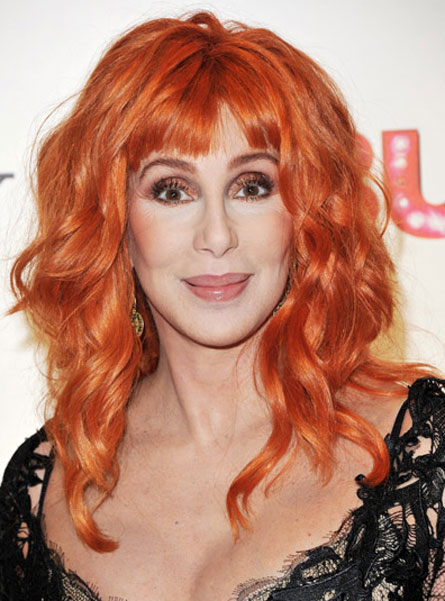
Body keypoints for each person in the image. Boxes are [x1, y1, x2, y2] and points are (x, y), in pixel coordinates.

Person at [1, 10, 444, 601]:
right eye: (172, 190)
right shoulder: (41, 484)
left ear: (305, 215)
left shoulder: (424, 453)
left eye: (252, 186)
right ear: (115, 222)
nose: (216, 236)